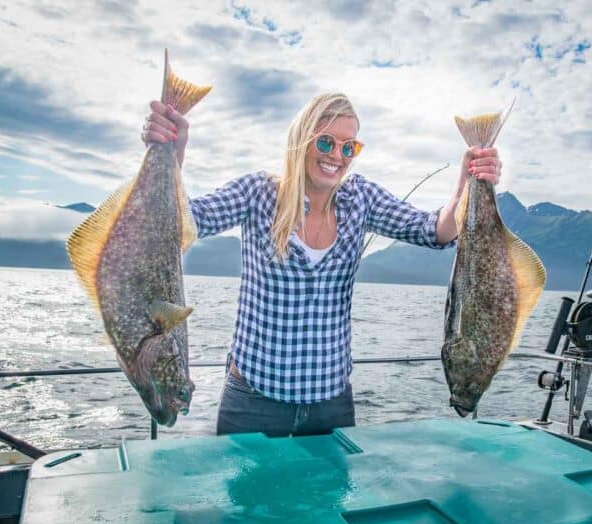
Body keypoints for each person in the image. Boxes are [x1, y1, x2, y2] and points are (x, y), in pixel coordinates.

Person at [141, 93, 501, 437]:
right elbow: (181, 222)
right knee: (249, 503)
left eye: (350, 147)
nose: (338, 155)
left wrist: (469, 178)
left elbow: (435, 231)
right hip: (252, 403)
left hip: (331, 406)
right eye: (327, 142)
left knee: (329, 503)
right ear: (303, 139)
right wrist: (173, 151)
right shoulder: (258, 193)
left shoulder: (361, 198)